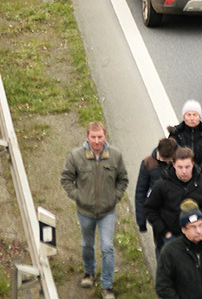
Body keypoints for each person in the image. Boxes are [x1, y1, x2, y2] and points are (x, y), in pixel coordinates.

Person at [60, 121, 128, 299]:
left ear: (105, 136)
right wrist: (78, 196)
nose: (97, 141)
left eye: (100, 137)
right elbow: (66, 178)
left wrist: (115, 197)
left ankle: (107, 286)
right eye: (93, 137)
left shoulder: (115, 155)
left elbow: (123, 180)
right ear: (87, 137)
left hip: (107, 212)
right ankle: (89, 273)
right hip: (85, 212)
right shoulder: (76, 156)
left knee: (107, 248)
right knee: (87, 244)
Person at [144, 147, 202, 253]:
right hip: (169, 239)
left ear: (193, 164)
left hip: (196, 241)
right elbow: (149, 209)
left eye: (187, 167)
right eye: (180, 167)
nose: (184, 171)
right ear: (173, 165)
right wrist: (164, 231)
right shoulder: (162, 185)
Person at [135, 138, 177, 242]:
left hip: (177, 214)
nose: (168, 163)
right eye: (164, 160)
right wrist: (141, 221)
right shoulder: (148, 163)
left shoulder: (181, 162)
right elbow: (140, 192)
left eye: (170, 161)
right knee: (161, 249)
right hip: (158, 216)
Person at [167, 100, 202, 166]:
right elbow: (169, 155)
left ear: (199, 117)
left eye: (195, 115)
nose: (192, 118)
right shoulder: (176, 133)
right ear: (184, 117)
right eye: (188, 115)